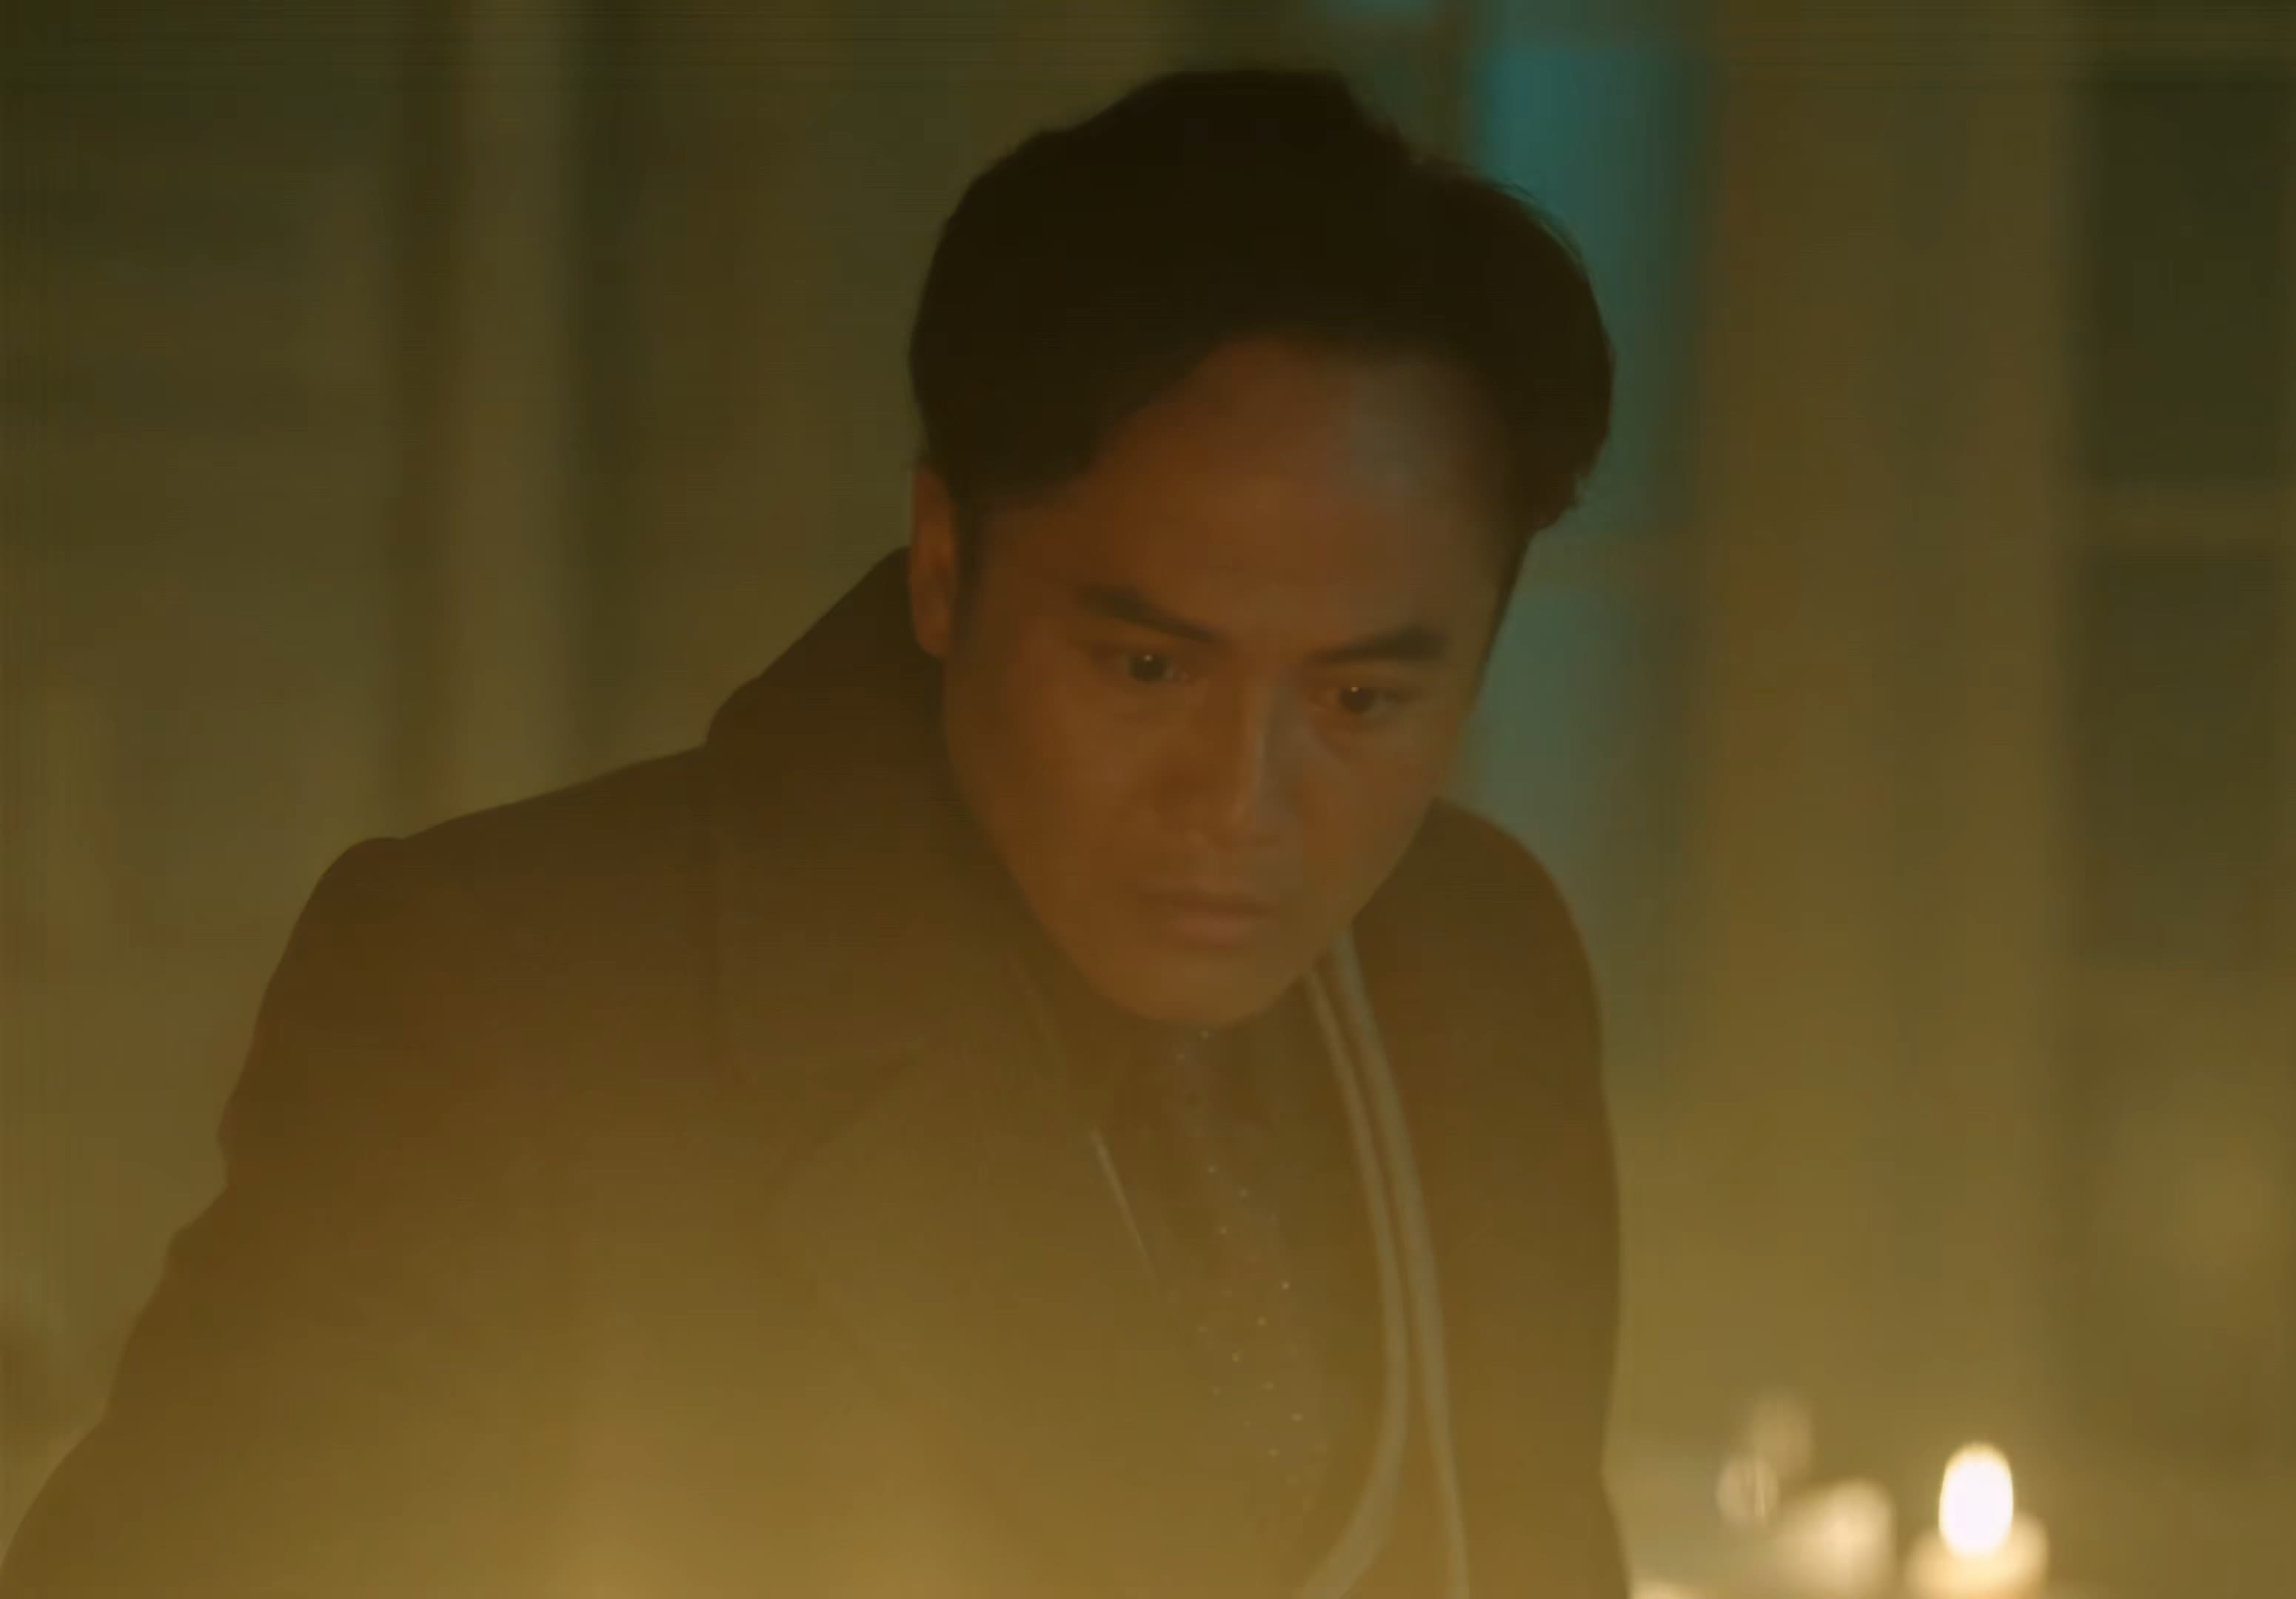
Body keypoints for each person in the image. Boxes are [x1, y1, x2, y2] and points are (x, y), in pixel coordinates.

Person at [0, 67, 1624, 1599]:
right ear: (945, 565)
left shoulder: (1473, 964)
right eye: (1146, 668)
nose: (1240, 802)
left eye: (1361, 700)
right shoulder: (512, 1007)